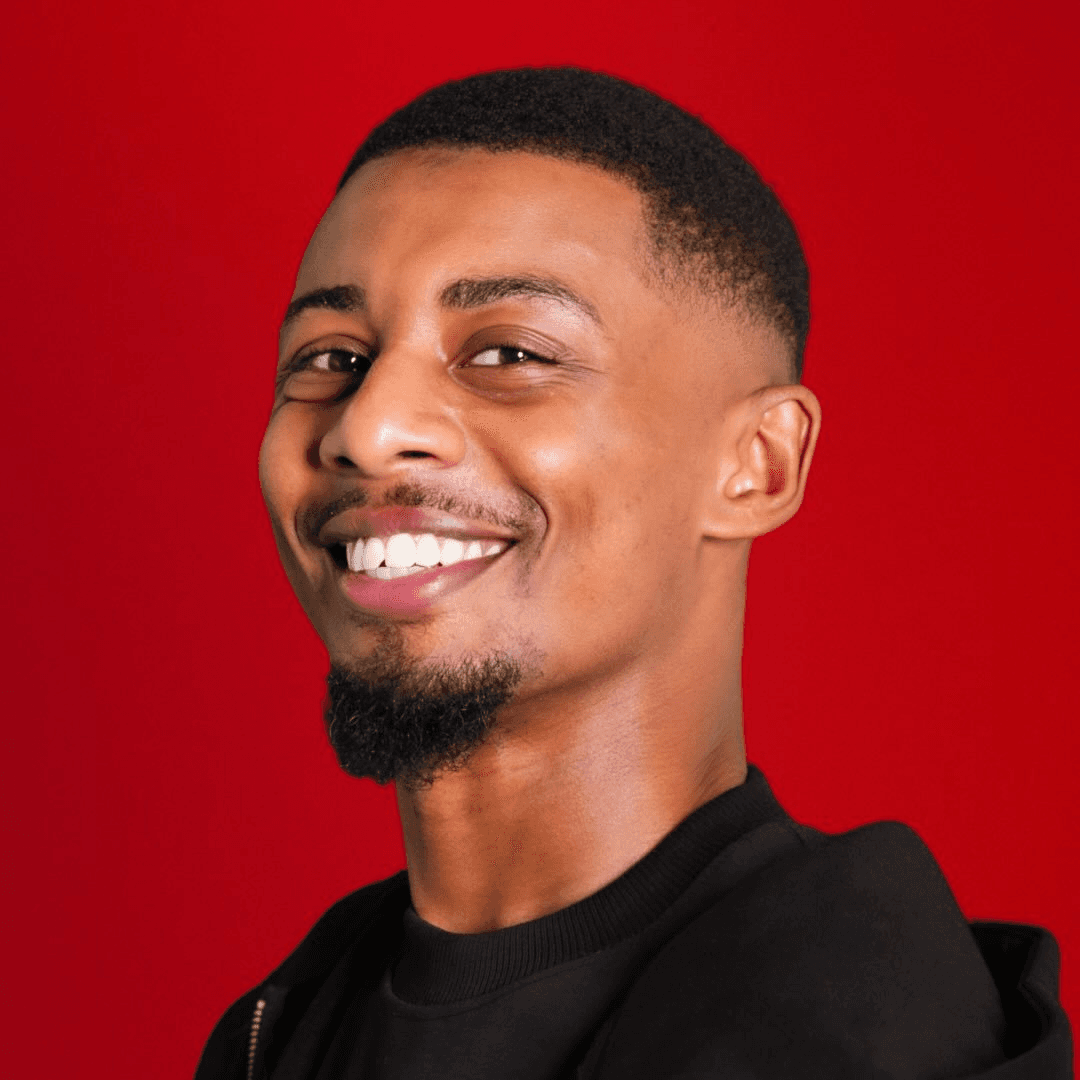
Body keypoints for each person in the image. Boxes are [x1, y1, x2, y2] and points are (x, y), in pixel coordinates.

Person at [196, 68, 1071, 1079]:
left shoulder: (853, 1038)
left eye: (508, 353)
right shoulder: (290, 1026)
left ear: (756, 466)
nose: (369, 426)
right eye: (331, 357)